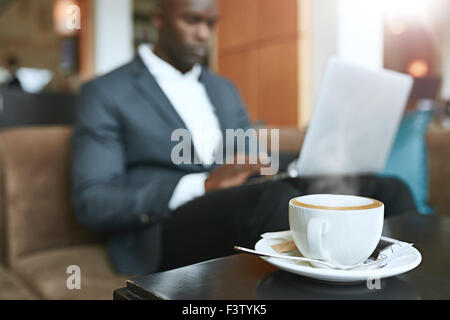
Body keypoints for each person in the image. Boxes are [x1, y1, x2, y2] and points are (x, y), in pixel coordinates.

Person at [71, 0, 416, 276]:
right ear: (158, 18)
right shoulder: (106, 92)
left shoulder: (223, 89)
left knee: (386, 189)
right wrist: (203, 185)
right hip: (164, 226)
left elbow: (249, 159)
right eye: (191, 21)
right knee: (273, 200)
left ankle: (399, 285)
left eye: (210, 23)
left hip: (242, 201)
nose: (204, 34)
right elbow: (93, 201)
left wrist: (307, 159)